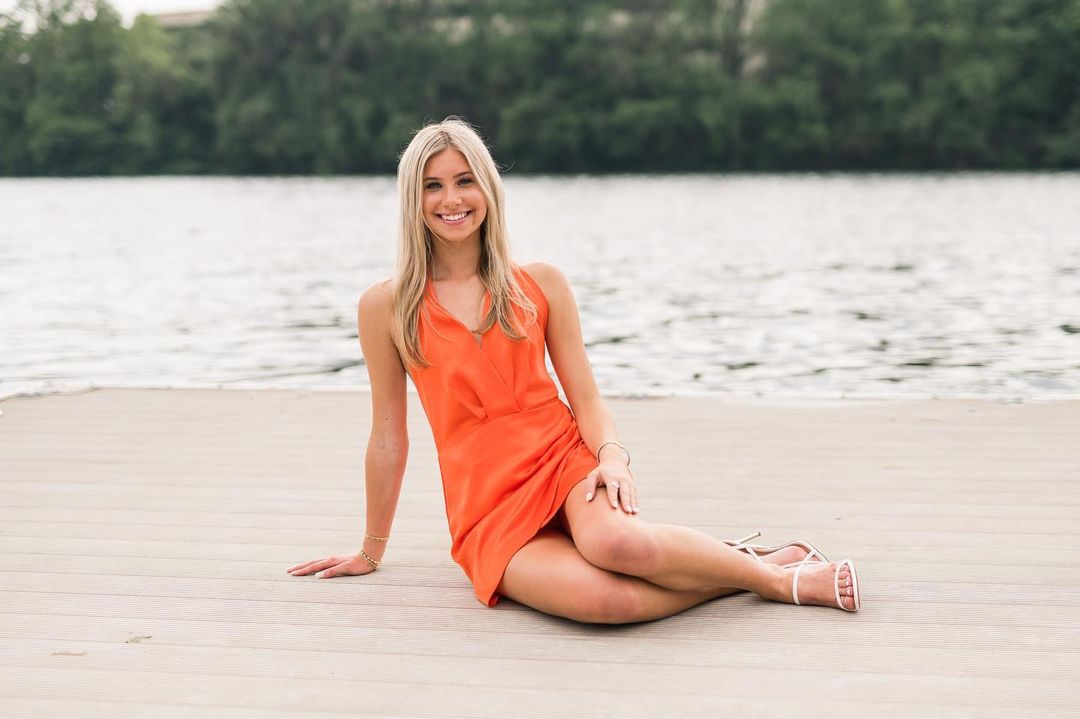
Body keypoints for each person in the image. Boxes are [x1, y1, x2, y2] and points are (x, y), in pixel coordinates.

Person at [286, 117, 861, 623]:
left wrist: (612, 458)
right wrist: (371, 549)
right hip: (486, 502)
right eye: (432, 186)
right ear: (412, 200)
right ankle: (743, 561)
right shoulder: (386, 306)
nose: (451, 199)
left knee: (619, 547)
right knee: (605, 602)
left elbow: (585, 396)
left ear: (488, 189)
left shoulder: (541, 283)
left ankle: (779, 581)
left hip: (562, 460)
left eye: (465, 181)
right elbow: (388, 436)